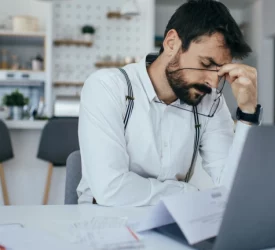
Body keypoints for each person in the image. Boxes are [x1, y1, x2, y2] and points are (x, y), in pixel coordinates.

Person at [77, 0, 261, 206]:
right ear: (172, 43)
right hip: (103, 220)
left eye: (220, 71)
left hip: (173, 221)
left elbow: (234, 187)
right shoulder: (108, 87)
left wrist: (247, 113)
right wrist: (187, 193)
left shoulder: (209, 102)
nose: (213, 83)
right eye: (206, 64)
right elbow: (110, 189)